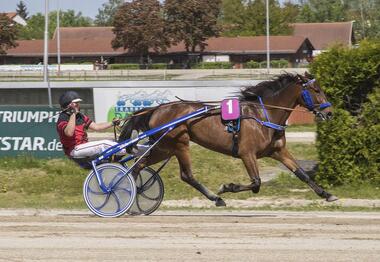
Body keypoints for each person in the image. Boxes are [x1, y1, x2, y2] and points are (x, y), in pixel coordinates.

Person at [56, 91, 122, 160]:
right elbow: (69, 133)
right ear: (68, 105)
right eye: (76, 103)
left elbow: (97, 127)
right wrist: (73, 113)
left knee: (105, 146)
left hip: (83, 147)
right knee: (103, 144)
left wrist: (112, 123)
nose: (78, 105)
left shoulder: (80, 116)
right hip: (74, 150)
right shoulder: (62, 119)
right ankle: (125, 149)